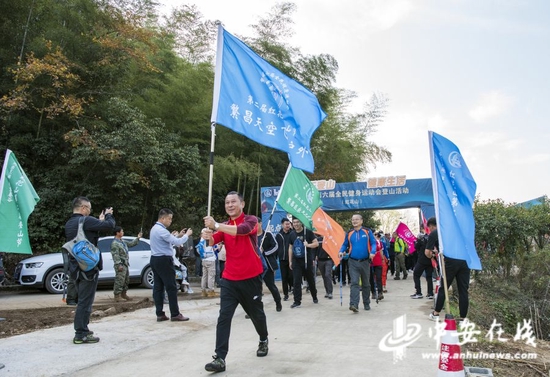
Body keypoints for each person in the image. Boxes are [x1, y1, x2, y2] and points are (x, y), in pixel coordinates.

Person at [203, 191, 268, 373]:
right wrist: (207, 233)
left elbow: (242, 231)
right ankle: (220, 358)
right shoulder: (224, 226)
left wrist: (216, 225)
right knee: (224, 317)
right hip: (229, 279)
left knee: (257, 315)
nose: (230, 205)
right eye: (227, 203)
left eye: (233, 202)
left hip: (251, 278)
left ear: (242, 204)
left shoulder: (251, 220)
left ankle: (263, 339)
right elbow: (212, 242)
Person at [65, 196, 115, 344]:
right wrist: (108, 215)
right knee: (85, 302)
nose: (89, 211)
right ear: (83, 208)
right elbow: (110, 226)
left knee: (82, 300)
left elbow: (89, 235)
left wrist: (99, 221)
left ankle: (83, 329)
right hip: (88, 268)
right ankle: (80, 334)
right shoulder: (86, 221)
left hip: (75, 266)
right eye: (89, 208)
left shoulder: (69, 223)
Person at [150, 208, 193, 322]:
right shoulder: (162, 230)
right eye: (169, 219)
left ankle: (160, 313)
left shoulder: (155, 229)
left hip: (155, 259)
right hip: (164, 260)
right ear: (162, 218)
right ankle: (175, 313)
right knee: (171, 287)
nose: (170, 221)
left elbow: (170, 240)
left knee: (158, 287)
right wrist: (186, 235)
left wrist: (178, 235)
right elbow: (177, 242)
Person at [428, 217, 471, 321]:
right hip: (465, 260)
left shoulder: (436, 233)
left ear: (433, 226)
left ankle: (436, 313)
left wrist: (433, 254)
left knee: (444, 287)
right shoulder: (460, 230)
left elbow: (427, 253)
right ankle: (463, 318)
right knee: (463, 290)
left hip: (450, 262)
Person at [338, 214, 377, 312]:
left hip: (365, 262)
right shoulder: (350, 233)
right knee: (354, 283)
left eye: (356, 219)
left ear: (361, 221)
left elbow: (373, 243)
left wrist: (372, 252)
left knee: (366, 284)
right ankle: (354, 304)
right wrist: (341, 251)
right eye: (353, 220)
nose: (354, 221)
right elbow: (344, 244)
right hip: (353, 262)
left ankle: (366, 302)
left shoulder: (367, 231)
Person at [289, 218, 319, 308]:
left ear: (301, 223)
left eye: (298, 222)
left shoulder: (308, 232)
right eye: (294, 222)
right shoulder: (292, 234)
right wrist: (290, 260)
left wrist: (308, 245)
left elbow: (316, 243)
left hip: (306, 260)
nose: (296, 224)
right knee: (296, 281)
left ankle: (314, 296)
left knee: (310, 280)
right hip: (296, 261)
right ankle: (297, 301)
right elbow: (290, 248)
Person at [110, 226, 142, 302]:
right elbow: (115, 255)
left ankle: (123, 293)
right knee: (119, 280)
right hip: (120, 264)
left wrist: (138, 238)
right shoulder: (115, 243)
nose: (123, 232)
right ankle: (117, 295)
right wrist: (119, 264)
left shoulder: (122, 242)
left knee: (126, 280)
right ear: (117, 233)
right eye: (121, 231)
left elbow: (131, 244)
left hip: (125, 264)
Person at [257, 217, 282, 312]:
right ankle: (255, 309)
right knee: (255, 288)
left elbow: (275, 246)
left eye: (256, 223)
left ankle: (278, 302)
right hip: (255, 266)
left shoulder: (267, 235)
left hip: (267, 265)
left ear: (260, 224)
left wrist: (265, 252)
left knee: (271, 286)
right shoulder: (251, 236)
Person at [410, 230, 433, 300]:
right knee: (429, 277)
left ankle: (418, 292)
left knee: (416, 274)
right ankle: (430, 293)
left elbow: (416, 247)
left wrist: (418, 240)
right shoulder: (430, 241)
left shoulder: (420, 241)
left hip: (422, 261)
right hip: (430, 260)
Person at [276, 218, 293, 301]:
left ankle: (292, 287)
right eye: (286, 224)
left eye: (289, 224)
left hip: (292, 259)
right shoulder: (279, 235)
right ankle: (286, 294)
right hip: (282, 259)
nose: (287, 225)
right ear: (282, 225)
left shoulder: (292, 233)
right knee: (284, 277)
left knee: (291, 276)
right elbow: (276, 247)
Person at [196, 228, 217, 297]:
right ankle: (211, 290)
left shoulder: (201, 241)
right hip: (211, 260)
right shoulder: (209, 240)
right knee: (211, 276)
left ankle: (203, 290)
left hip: (204, 260)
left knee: (204, 276)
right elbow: (214, 248)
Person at [370, 231, 388, 300]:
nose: (375, 236)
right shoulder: (368, 242)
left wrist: (383, 259)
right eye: (374, 234)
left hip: (378, 262)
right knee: (371, 278)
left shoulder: (379, 242)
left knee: (378, 277)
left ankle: (380, 292)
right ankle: (373, 292)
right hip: (371, 262)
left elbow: (381, 251)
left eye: (376, 235)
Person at [316, 235, 334, 299]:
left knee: (327, 275)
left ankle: (330, 292)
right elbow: (315, 249)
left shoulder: (330, 238)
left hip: (328, 260)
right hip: (320, 260)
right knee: (324, 276)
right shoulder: (318, 239)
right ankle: (327, 291)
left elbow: (333, 248)